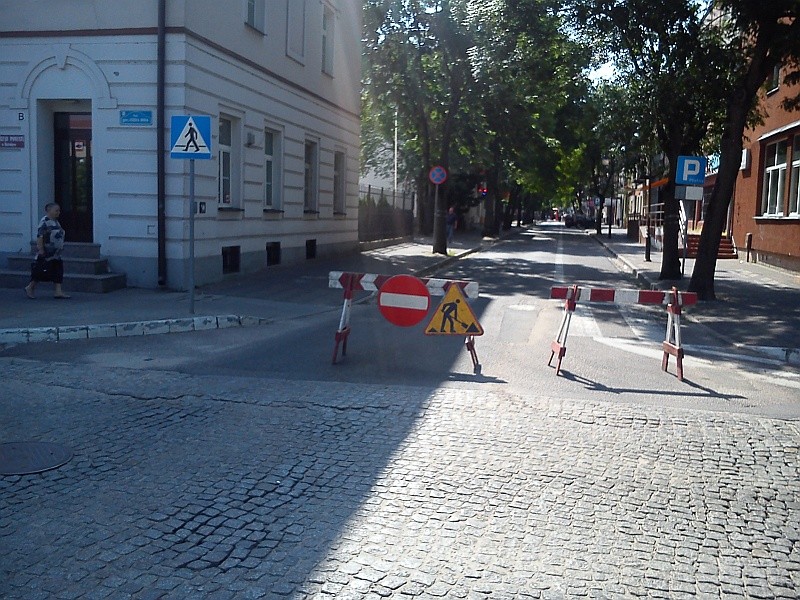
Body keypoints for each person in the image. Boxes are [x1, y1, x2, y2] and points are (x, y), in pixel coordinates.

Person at [25, 202, 70, 299]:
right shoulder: (44, 222)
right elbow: (40, 236)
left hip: (56, 253)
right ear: (49, 211)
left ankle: (58, 291)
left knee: (58, 270)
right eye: (56, 210)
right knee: (41, 270)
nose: (58, 212)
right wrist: (41, 249)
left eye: (59, 210)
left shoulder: (56, 222)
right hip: (47, 253)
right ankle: (30, 287)